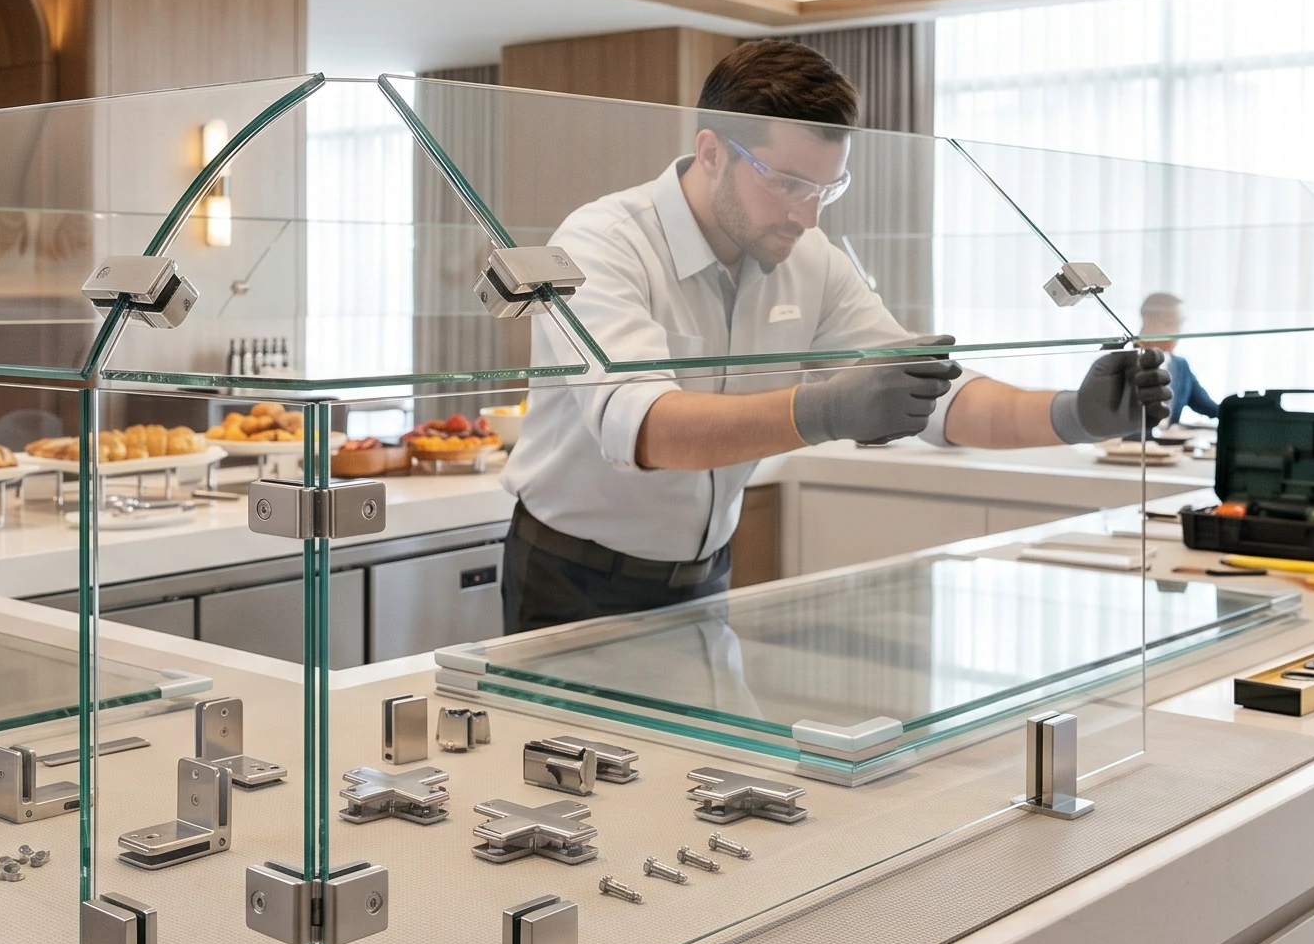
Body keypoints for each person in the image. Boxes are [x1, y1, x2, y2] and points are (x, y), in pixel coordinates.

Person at [501, 41, 1170, 634]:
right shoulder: (602, 243)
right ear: (711, 152)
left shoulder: (808, 255)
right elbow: (647, 429)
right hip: (571, 579)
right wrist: (826, 410)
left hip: (705, 577)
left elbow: (934, 394)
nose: (809, 212)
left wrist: (1074, 416)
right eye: (788, 183)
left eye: (828, 187)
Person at [1137, 293, 1217, 425]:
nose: (1178, 331)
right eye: (1171, 324)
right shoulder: (1124, 362)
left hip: (1171, 445)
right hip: (1129, 445)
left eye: (1181, 324)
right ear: (1148, 323)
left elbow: (1209, 407)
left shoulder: (1180, 366)